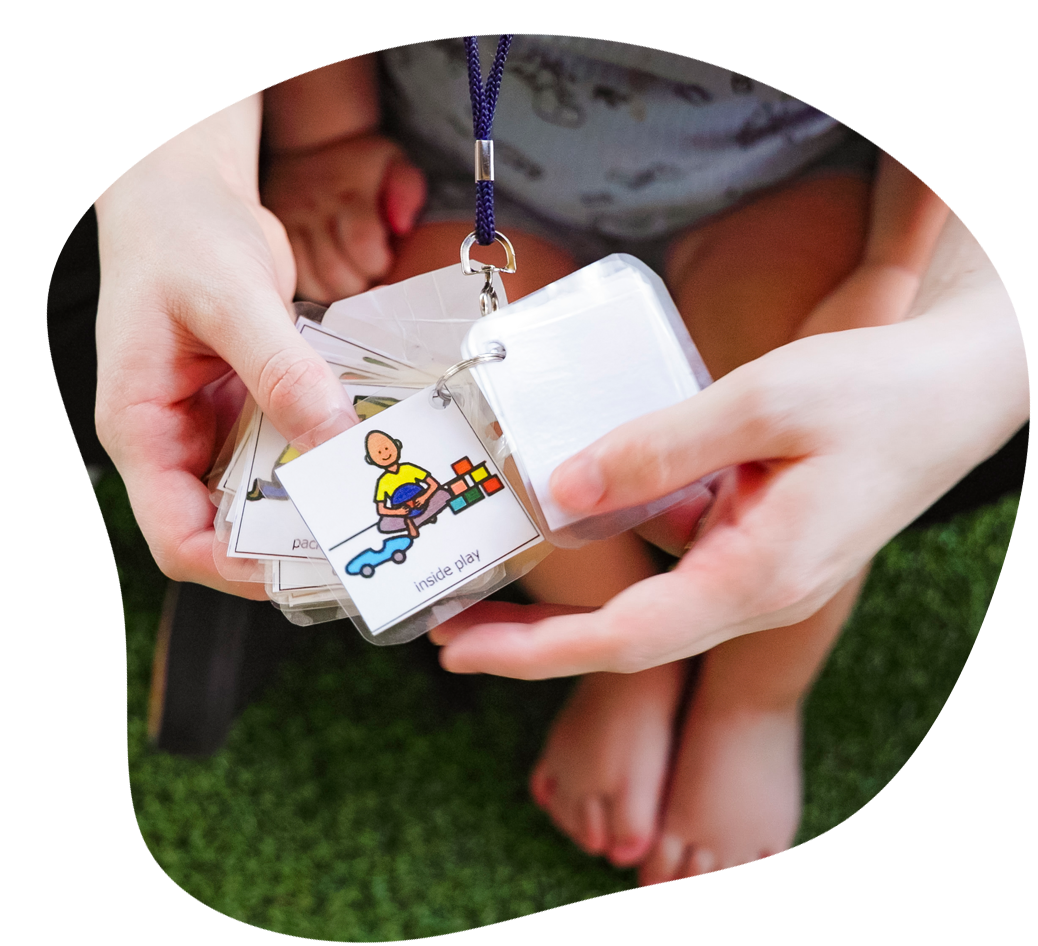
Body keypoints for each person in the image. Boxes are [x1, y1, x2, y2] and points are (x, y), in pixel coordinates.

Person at [50, 33, 1028, 904]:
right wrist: (325, 142)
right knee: (480, 426)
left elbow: (967, 63)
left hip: (790, 186)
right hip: (463, 184)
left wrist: (899, 267)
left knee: (809, 433)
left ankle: (754, 696)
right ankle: (618, 653)